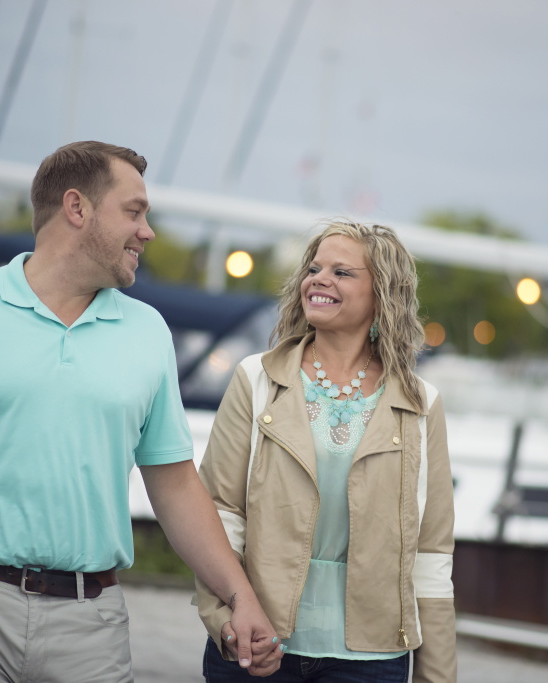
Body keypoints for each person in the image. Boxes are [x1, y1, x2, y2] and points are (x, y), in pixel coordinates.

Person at [0, 141, 282, 682]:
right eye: (134, 212)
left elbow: (176, 485)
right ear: (76, 207)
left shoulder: (149, 332)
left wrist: (240, 598)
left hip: (91, 625)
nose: (147, 232)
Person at [196, 220, 457, 682]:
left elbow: (431, 553)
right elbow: (220, 514)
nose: (319, 280)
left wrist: (435, 676)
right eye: (314, 269)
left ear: (382, 294)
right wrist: (227, 621)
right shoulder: (255, 379)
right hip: (256, 643)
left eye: (342, 272)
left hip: (371, 661)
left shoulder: (421, 404)